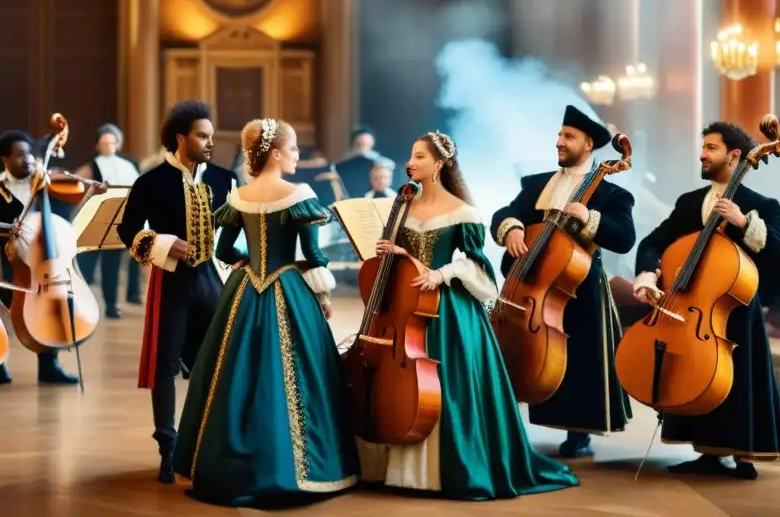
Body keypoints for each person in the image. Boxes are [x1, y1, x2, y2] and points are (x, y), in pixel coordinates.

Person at [357, 131, 578, 498]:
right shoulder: (404, 207)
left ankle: (446, 469)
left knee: (447, 386)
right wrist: (392, 252)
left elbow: (480, 269)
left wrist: (442, 274)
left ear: (440, 164)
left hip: (448, 313)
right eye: (411, 156)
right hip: (404, 310)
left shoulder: (463, 212)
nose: (410, 163)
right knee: (400, 384)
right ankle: (396, 464)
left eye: (420, 157)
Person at [174, 118, 359, 505]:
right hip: (288, 286)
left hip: (243, 291)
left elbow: (224, 252)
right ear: (275, 152)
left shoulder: (239, 195)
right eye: (293, 149)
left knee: (233, 373)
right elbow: (314, 256)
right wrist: (322, 296)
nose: (296, 155)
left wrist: (246, 262)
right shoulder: (298, 194)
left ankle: (224, 462)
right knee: (300, 373)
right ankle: (298, 468)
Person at [633, 121, 780, 480]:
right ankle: (705, 451)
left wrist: (745, 223)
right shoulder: (688, 203)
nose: (702, 154)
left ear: (734, 156)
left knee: (740, 380)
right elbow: (653, 242)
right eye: (703, 147)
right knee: (692, 374)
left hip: (737, 312)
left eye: (710, 148)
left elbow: (778, 251)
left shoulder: (762, 205)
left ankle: (744, 453)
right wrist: (648, 274)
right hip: (692, 307)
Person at [490, 105, 636, 458]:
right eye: (559, 135)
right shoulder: (537, 184)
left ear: (588, 145)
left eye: (568, 137)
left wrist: (590, 217)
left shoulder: (612, 194)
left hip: (580, 286)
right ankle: (508, 421)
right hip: (529, 283)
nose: (559, 142)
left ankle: (578, 431)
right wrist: (511, 228)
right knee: (517, 350)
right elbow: (504, 213)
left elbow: (624, 237)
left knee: (579, 359)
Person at [117, 100, 238, 484]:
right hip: (171, 284)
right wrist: (166, 243)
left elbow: (237, 231)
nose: (209, 142)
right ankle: (167, 452)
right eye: (202, 136)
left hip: (213, 282)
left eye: (211, 136)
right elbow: (128, 230)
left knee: (217, 365)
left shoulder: (224, 179)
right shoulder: (150, 182)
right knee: (165, 368)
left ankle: (206, 446)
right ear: (180, 137)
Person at [0, 130, 82, 386]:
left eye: (30, 154)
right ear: (5, 159)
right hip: (9, 263)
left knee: (47, 310)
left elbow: (67, 207)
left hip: (46, 262)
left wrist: (87, 191)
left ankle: (49, 366)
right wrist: (4, 228)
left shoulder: (45, 184)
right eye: (20, 155)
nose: (28, 159)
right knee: (1, 313)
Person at [75, 123, 142, 314]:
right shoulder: (91, 166)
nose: (108, 145)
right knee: (87, 262)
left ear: (118, 143)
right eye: (104, 142)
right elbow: (81, 189)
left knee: (111, 265)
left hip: (120, 218)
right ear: (97, 145)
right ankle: (80, 303)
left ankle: (111, 305)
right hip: (96, 218)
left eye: (112, 142)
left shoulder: (130, 165)